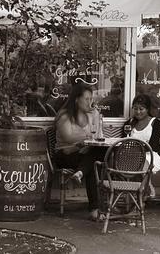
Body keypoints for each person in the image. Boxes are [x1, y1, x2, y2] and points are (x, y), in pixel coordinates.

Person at [54, 83, 106, 221]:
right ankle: (96, 209)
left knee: (98, 158)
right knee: (94, 161)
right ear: (77, 99)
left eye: (91, 99)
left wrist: (96, 117)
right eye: (87, 99)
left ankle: (80, 173)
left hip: (83, 155)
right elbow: (68, 136)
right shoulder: (64, 115)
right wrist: (86, 139)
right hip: (65, 153)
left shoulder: (90, 115)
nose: (90, 102)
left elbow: (99, 136)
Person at [124, 94, 160, 176]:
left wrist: (135, 149)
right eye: (135, 109)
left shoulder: (156, 123)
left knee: (142, 164)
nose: (138, 112)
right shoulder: (129, 124)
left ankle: (144, 187)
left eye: (141, 109)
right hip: (131, 155)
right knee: (119, 162)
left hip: (151, 155)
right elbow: (124, 142)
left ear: (147, 109)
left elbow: (154, 145)